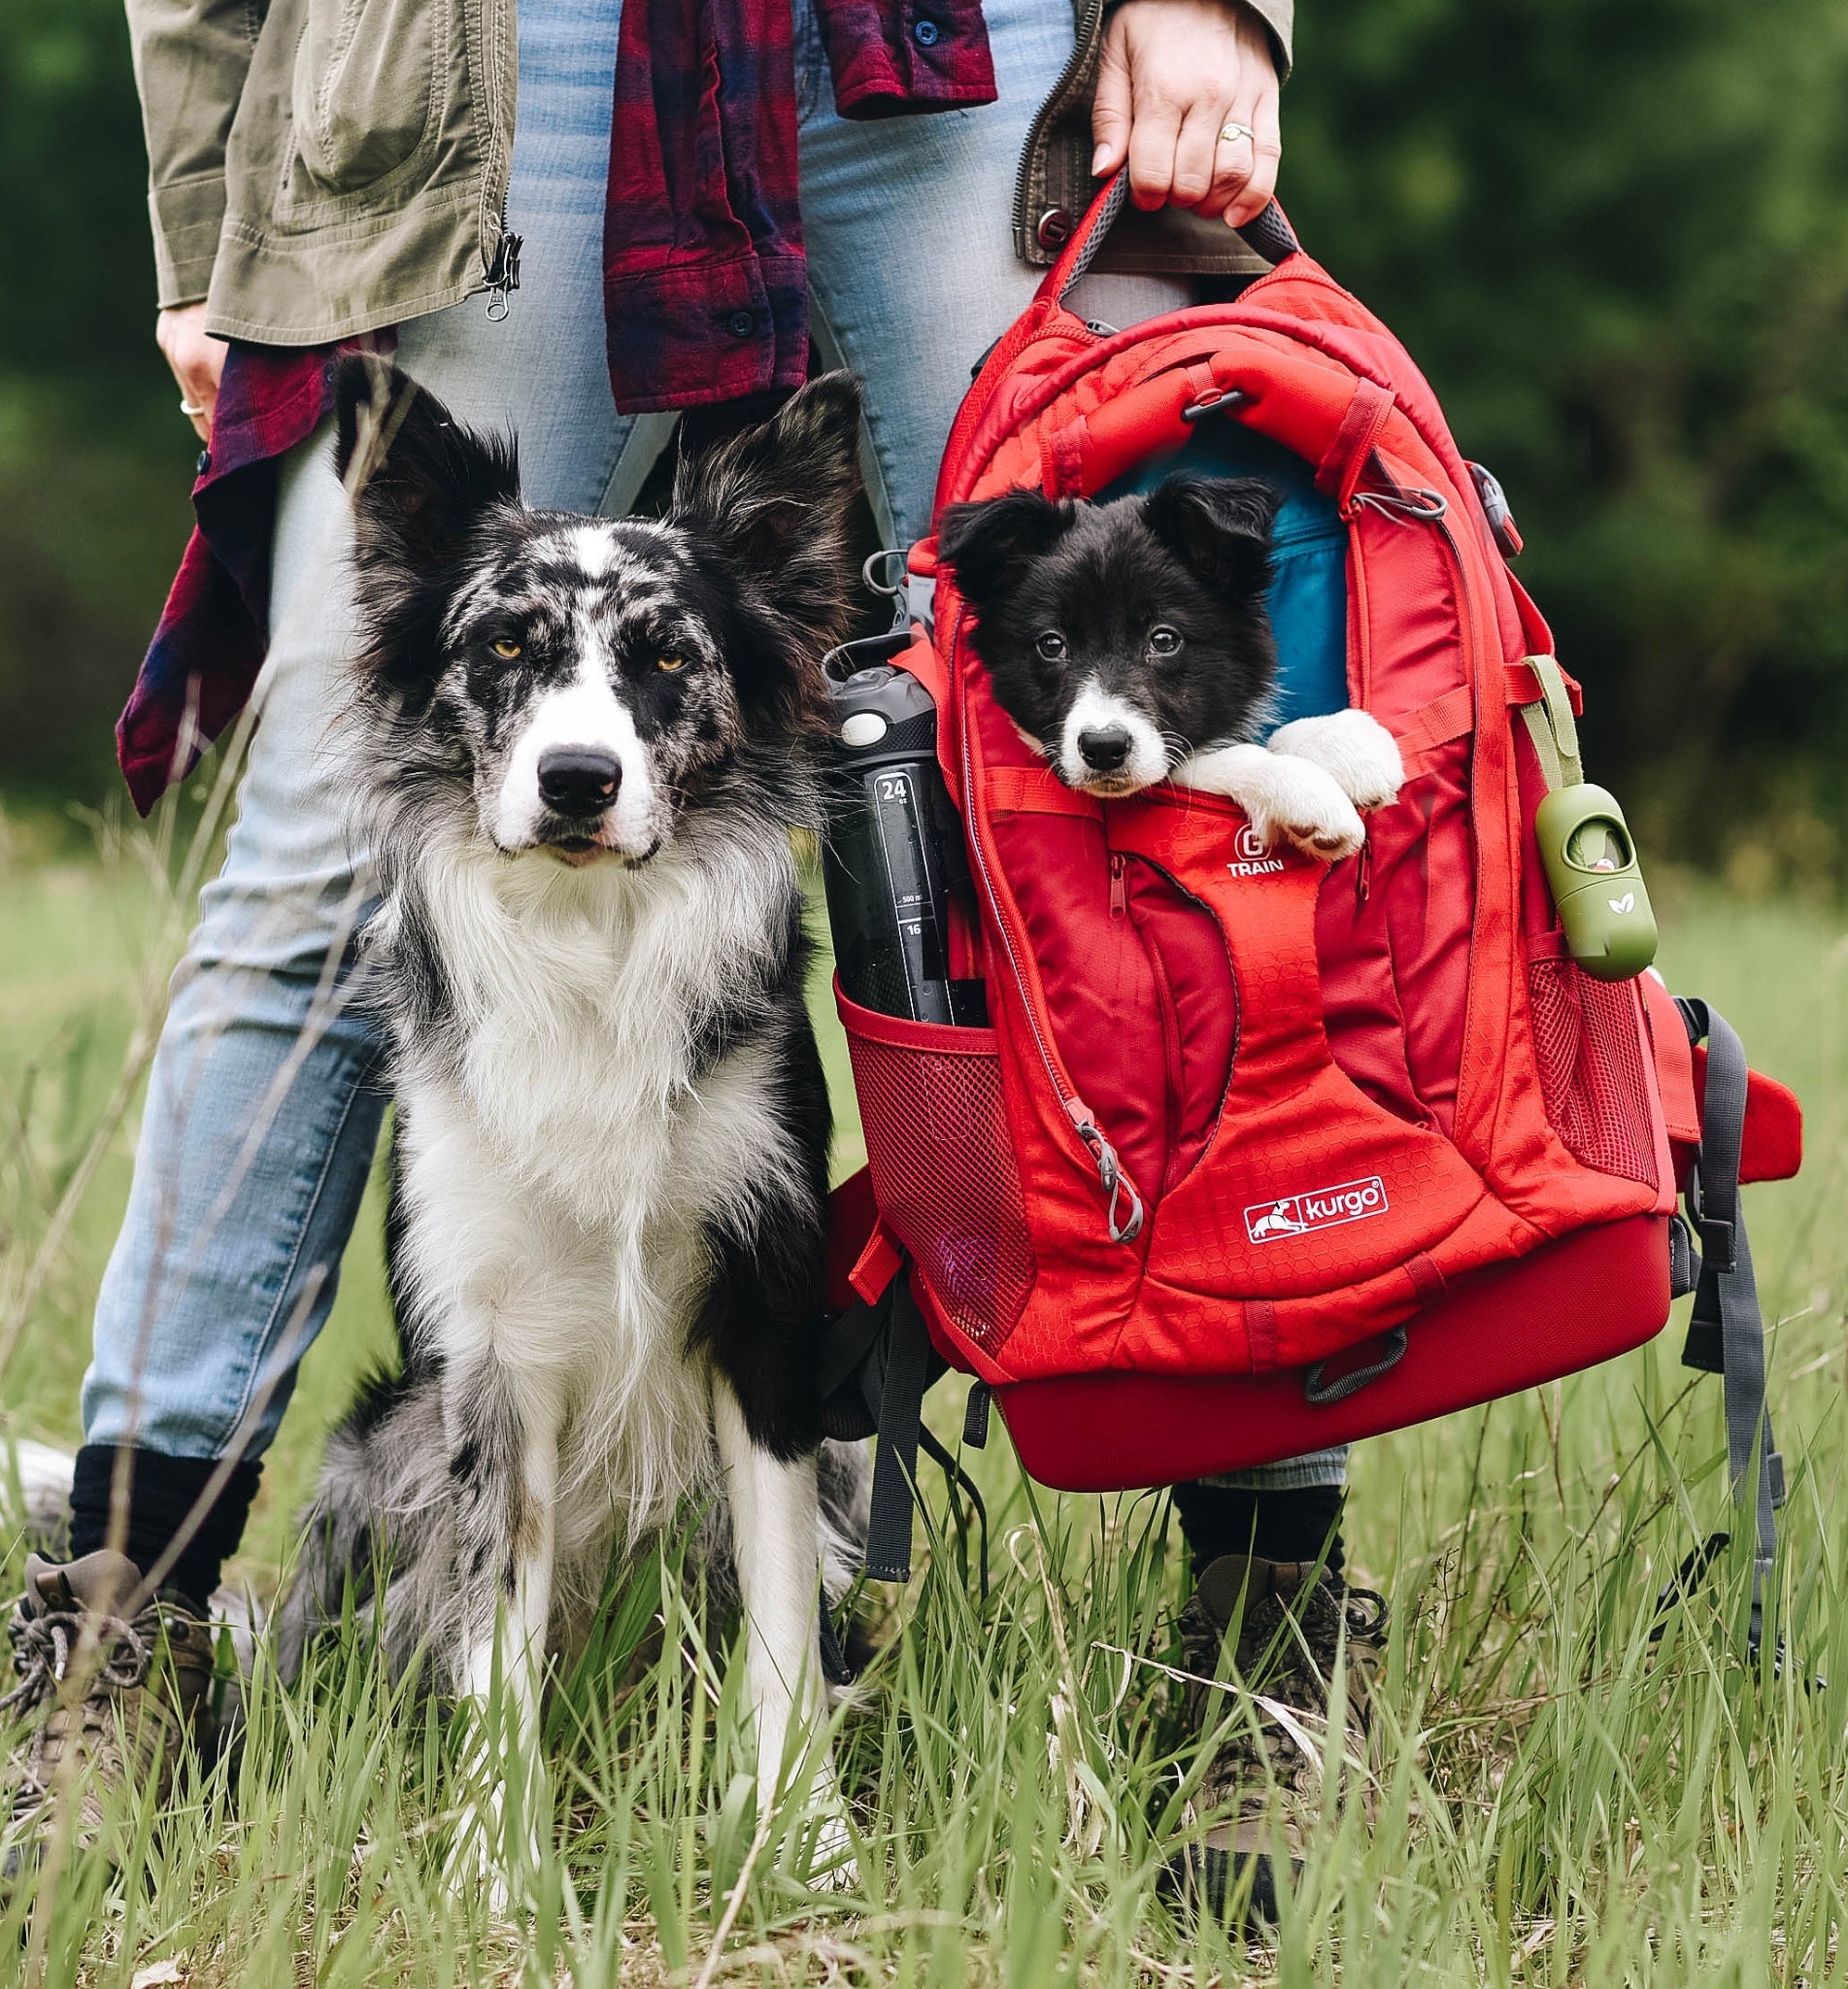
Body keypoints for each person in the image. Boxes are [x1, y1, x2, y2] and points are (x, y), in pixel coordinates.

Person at [3, 0, 1381, 1915]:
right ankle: (123, 1634)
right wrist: (212, 175)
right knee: (330, 843)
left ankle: (1261, 1627)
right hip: (488, 51)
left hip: (956, 38)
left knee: (1141, 802)